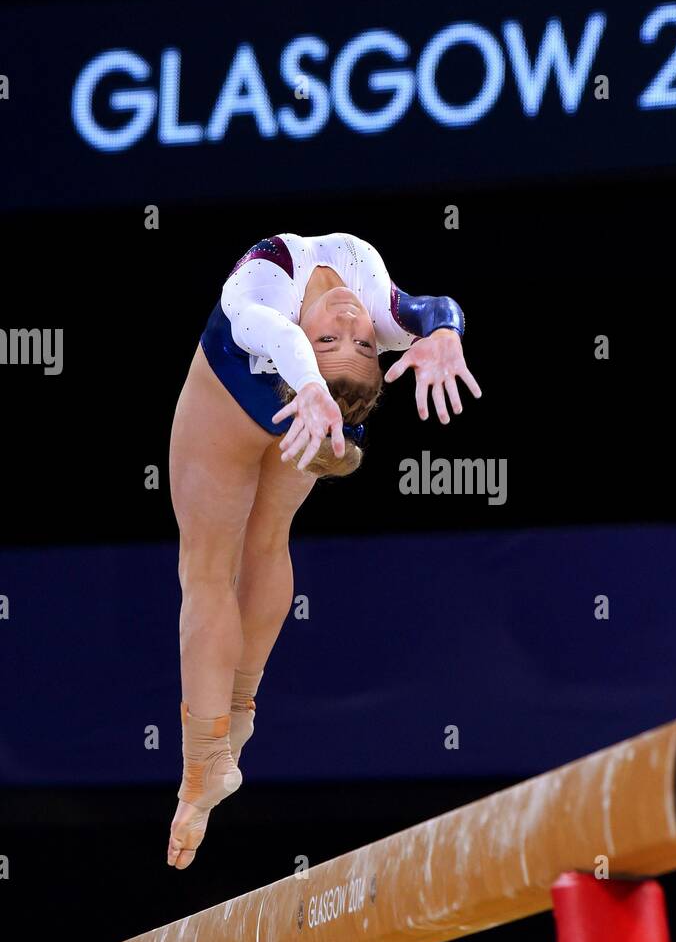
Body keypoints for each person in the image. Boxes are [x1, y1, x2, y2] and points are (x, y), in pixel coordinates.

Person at [167, 233, 481, 868]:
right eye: (362, 343)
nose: (347, 322)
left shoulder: (270, 280)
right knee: (266, 542)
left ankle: (204, 758)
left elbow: (261, 326)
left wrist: (307, 378)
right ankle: (239, 709)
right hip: (314, 416)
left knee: (206, 570)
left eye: (335, 341)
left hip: (250, 398)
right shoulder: (374, 303)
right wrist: (446, 333)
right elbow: (432, 307)